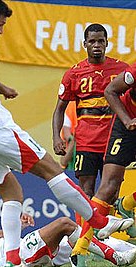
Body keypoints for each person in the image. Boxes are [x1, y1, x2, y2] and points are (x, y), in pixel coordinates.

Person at [0, 2, 133, 267]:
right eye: (0, 24)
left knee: (12, 193)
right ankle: (99, 222)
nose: (1, 31)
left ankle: (11, 261)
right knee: (52, 170)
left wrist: (2, 87)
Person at [0, 197, 136, 267]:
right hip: (15, 259)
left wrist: (17, 227)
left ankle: (126, 248)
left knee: (78, 239)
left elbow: (0, 235)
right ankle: (114, 258)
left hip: (19, 245)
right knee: (64, 224)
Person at [53, 23, 129, 200]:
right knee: (86, 192)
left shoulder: (121, 69)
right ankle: (86, 228)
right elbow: (59, 109)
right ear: (84, 44)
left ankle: (107, 228)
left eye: (101, 41)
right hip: (87, 142)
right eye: (92, 41)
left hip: (114, 141)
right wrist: (56, 137)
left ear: (106, 43)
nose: (97, 45)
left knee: (112, 192)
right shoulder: (74, 73)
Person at [93, 62, 136, 237]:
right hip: (126, 124)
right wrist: (127, 120)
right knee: (110, 185)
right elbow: (110, 91)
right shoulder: (134, 71)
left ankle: (127, 203)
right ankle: (83, 244)